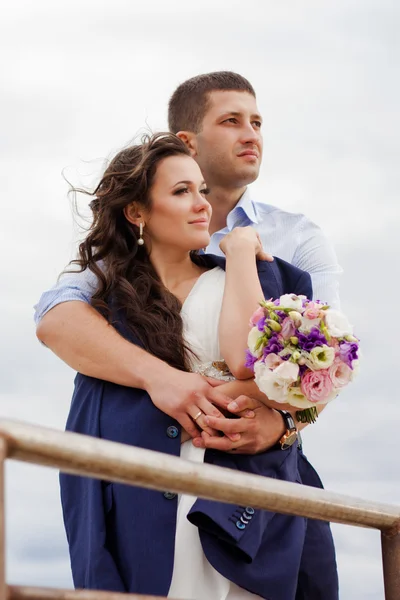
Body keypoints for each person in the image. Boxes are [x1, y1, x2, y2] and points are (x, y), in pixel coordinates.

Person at [59, 132, 338, 599]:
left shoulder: (257, 274)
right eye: (181, 191)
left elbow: (246, 361)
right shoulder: (103, 307)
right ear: (137, 212)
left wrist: (243, 251)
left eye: (202, 190)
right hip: (140, 513)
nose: (202, 204)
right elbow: (85, 424)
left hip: (241, 514)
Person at [34, 71, 342, 455]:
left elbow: (327, 362)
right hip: (143, 462)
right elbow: (56, 313)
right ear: (187, 143)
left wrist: (284, 424)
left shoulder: (299, 239)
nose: (251, 135)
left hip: (253, 470)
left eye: (257, 123)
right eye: (231, 121)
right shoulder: (124, 257)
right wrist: (161, 379)